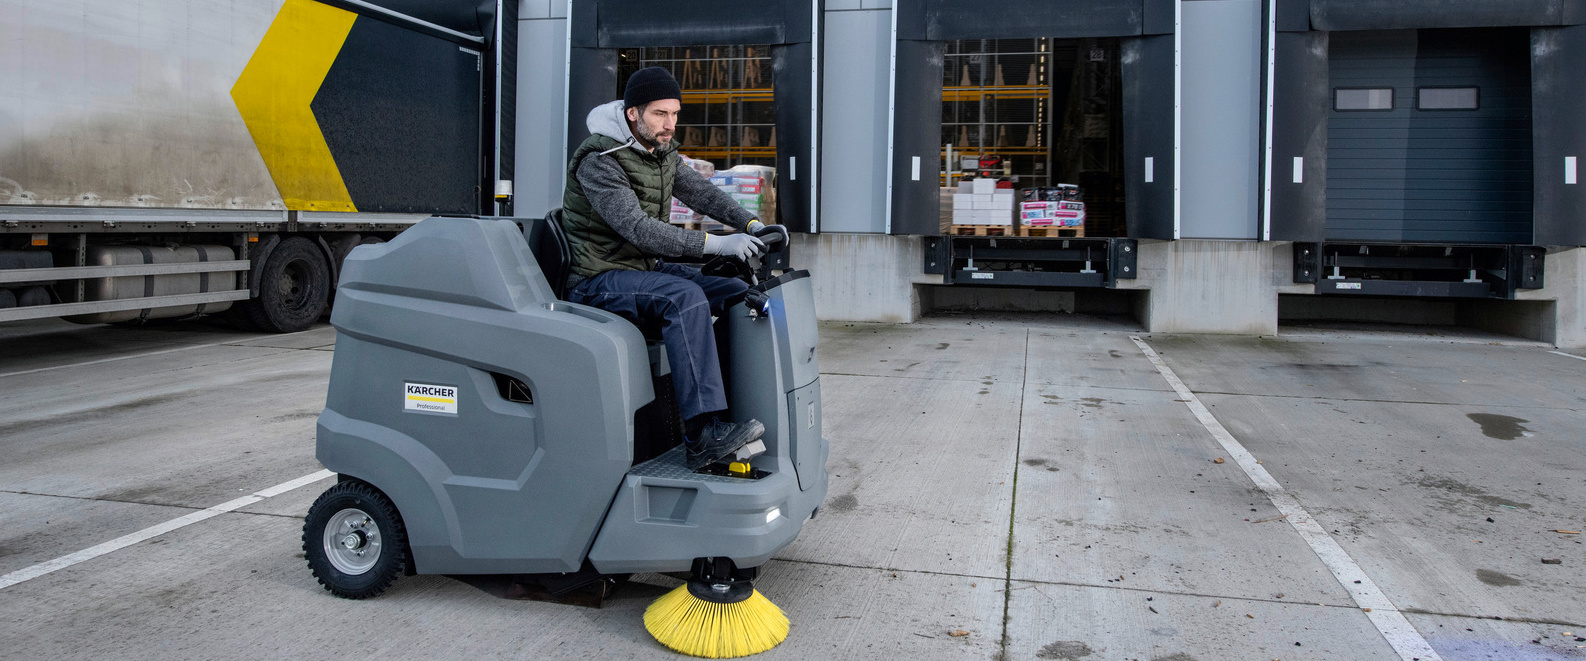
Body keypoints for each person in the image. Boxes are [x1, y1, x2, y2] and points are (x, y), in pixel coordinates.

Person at [561, 66, 789, 469]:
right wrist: (717, 243)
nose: (669, 125)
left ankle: (728, 408)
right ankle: (702, 433)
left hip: (642, 269)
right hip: (598, 278)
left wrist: (752, 225)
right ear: (633, 113)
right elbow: (639, 229)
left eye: (675, 114)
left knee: (736, 293)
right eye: (659, 114)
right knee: (684, 298)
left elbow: (702, 193)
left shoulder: (660, 151)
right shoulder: (599, 160)